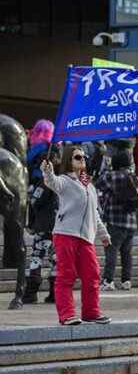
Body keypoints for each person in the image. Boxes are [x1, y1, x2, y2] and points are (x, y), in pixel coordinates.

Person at [41, 147, 112, 325]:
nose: (82, 160)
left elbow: (94, 212)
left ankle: (91, 312)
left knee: (92, 274)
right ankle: (67, 315)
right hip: (66, 233)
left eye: (84, 157)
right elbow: (52, 182)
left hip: (86, 237)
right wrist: (47, 170)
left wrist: (103, 233)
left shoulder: (88, 183)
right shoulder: (64, 180)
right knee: (66, 275)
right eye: (78, 157)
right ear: (68, 160)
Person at [22, 121, 58, 304]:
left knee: (37, 255)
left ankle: (31, 291)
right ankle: (54, 293)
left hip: (44, 221)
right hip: (60, 222)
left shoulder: (37, 154)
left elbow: (37, 200)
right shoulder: (62, 177)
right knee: (55, 257)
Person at [96, 151, 138, 292]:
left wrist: (107, 168)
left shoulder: (111, 176)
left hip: (115, 220)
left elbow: (98, 184)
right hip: (131, 221)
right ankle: (126, 280)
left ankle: (108, 280)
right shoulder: (136, 178)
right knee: (127, 253)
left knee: (111, 250)